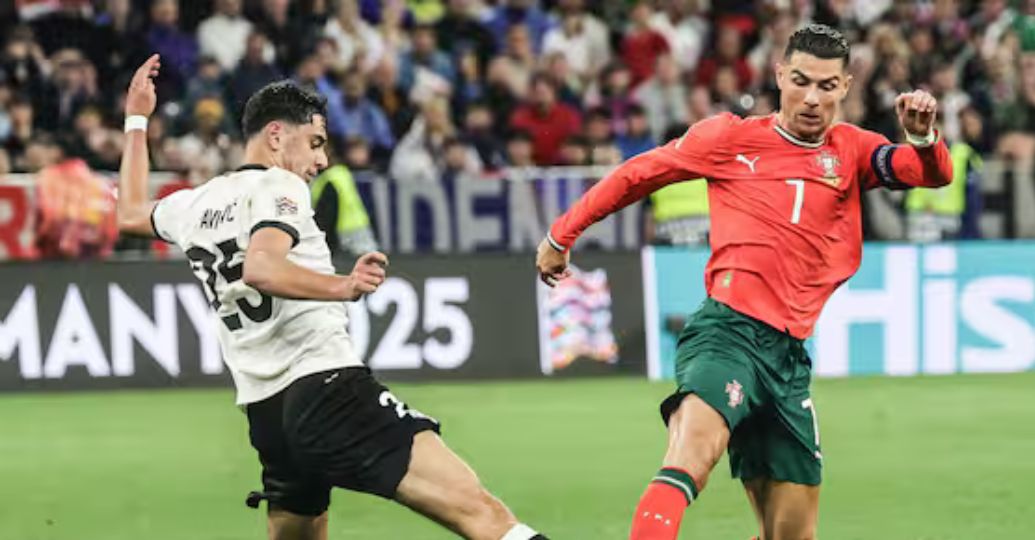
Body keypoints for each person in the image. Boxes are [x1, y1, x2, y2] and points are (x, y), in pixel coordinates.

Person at [535, 24, 952, 540]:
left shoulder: (851, 150)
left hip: (788, 360)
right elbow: (638, 174)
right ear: (779, 75)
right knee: (691, 456)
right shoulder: (729, 138)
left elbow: (929, 174)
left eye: (826, 86)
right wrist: (561, 234)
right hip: (727, 334)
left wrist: (924, 137)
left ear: (845, 87)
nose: (811, 98)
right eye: (800, 81)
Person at [116, 55, 547, 540]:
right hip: (326, 387)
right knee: (482, 513)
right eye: (316, 143)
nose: (321, 161)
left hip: (268, 414)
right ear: (276, 136)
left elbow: (130, 212)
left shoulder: (196, 202)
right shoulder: (280, 184)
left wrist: (137, 120)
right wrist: (341, 287)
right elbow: (262, 267)